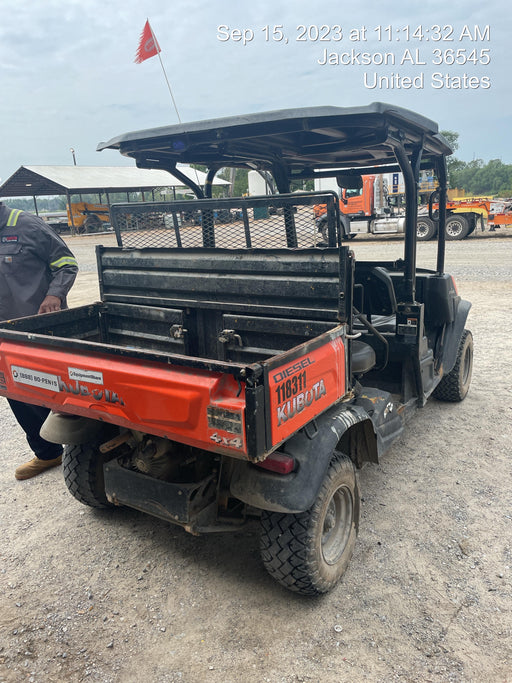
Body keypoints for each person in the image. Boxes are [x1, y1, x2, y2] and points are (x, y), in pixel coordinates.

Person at [0, 202, 78, 480]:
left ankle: (86, 451)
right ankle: (48, 453)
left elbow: (66, 263)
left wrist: (54, 295)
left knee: (53, 389)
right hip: (4, 333)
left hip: (39, 327)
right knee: (15, 391)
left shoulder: (28, 226)